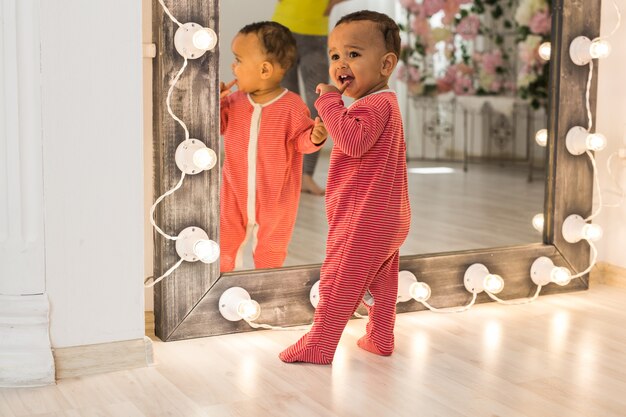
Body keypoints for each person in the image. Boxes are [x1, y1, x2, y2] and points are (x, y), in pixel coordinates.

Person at [279, 10, 411, 365]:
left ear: (385, 64)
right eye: (335, 55)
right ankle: (380, 335)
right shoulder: (385, 104)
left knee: (339, 277)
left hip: (365, 218)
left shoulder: (372, 106)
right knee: (383, 281)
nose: (341, 63)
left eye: (354, 54)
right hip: (390, 218)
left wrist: (326, 103)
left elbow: (352, 142)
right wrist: (336, 111)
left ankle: (319, 343)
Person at [219, 21, 327, 272]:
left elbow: (302, 141)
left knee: (271, 249)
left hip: (276, 197)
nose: (233, 67)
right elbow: (219, 126)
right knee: (227, 244)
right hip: (235, 191)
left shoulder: (291, 106)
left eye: (238, 60)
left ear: (265, 69)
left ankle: (265, 286)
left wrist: (315, 137)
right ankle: (225, 284)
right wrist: (215, 103)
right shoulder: (234, 101)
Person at [272, 0, 348, 196]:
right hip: (281, 32)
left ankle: (306, 175)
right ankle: (286, 175)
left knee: (319, 103)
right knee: (286, 105)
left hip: (316, 33)